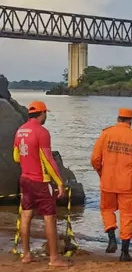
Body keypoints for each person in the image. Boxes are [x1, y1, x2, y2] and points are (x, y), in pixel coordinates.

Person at [13, 101, 69, 267]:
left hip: (25, 179)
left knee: (26, 215)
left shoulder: (20, 130)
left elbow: (16, 156)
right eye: (46, 113)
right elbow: (48, 159)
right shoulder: (42, 132)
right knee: (49, 218)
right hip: (41, 181)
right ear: (42, 113)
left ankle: (26, 255)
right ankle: (54, 258)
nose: (46, 116)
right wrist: (59, 182)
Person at [90, 108, 132, 261]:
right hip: (127, 184)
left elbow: (95, 159)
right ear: (130, 120)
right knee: (127, 215)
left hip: (107, 181)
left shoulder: (106, 134)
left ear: (118, 118)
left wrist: (102, 173)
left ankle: (111, 238)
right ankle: (124, 253)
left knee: (107, 209)